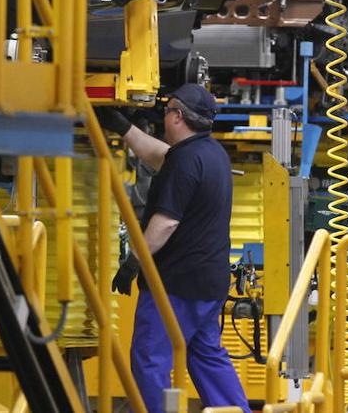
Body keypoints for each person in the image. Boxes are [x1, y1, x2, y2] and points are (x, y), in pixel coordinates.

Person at [95, 83, 250, 413]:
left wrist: (134, 262)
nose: (164, 117)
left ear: (177, 116)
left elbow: (165, 222)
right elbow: (159, 156)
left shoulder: (185, 162)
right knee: (206, 356)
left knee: (150, 360)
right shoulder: (210, 154)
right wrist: (124, 128)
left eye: (166, 112)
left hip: (176, 285)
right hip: (208, 282)